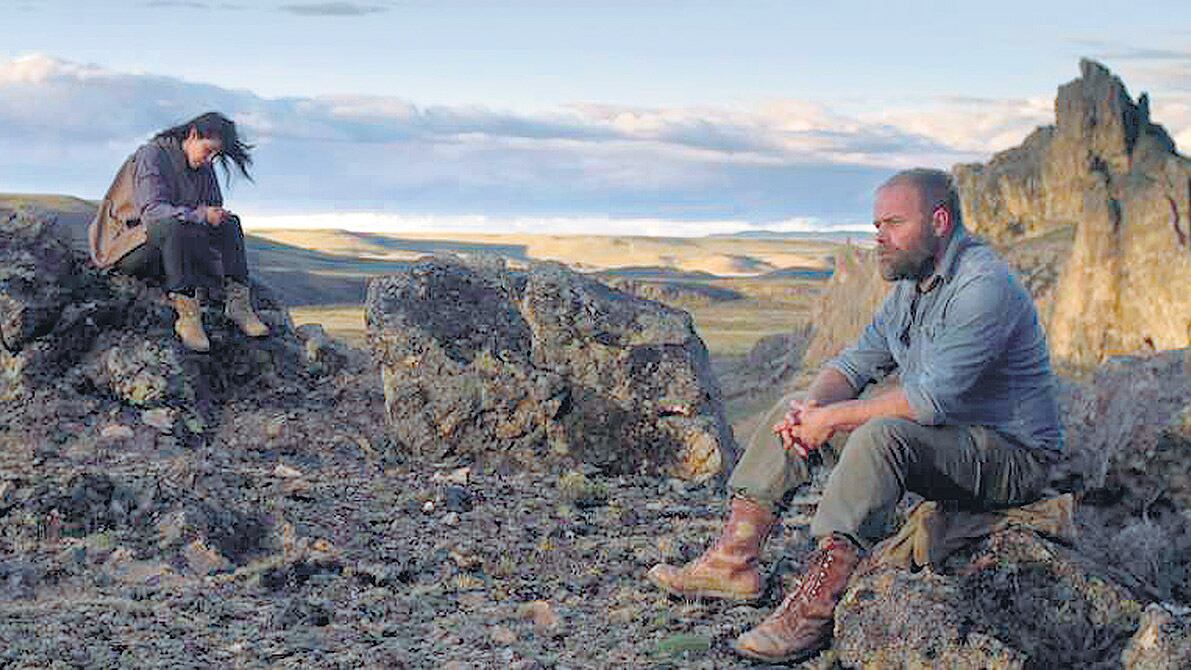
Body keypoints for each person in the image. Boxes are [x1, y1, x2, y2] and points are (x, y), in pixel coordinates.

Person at [646, 168, 1063, 662]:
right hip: (951, 441)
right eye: (876, 226)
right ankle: (733, 561)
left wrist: (832, 420)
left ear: (940, 221)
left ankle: (818, 605)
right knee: (794, 404)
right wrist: (811, 410)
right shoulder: (912, 286)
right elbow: (854, 364)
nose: (880, 237)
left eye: (894, 223)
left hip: (1013, 458)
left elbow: (930, 402)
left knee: (881, 436)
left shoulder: (982, 287)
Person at [88, 111, 268, 352]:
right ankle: (188, 316)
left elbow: (210, 207)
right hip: (128, 247)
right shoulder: (152, 155)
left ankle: (238, 305)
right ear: (193, 135)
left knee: (229, 223)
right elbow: (153, 212)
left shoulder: (203, 165)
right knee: (172, 225)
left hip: (174, 247)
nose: (210, 159)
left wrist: (213, 216)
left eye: (216, 155)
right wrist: (201, 215)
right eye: (208, 150)